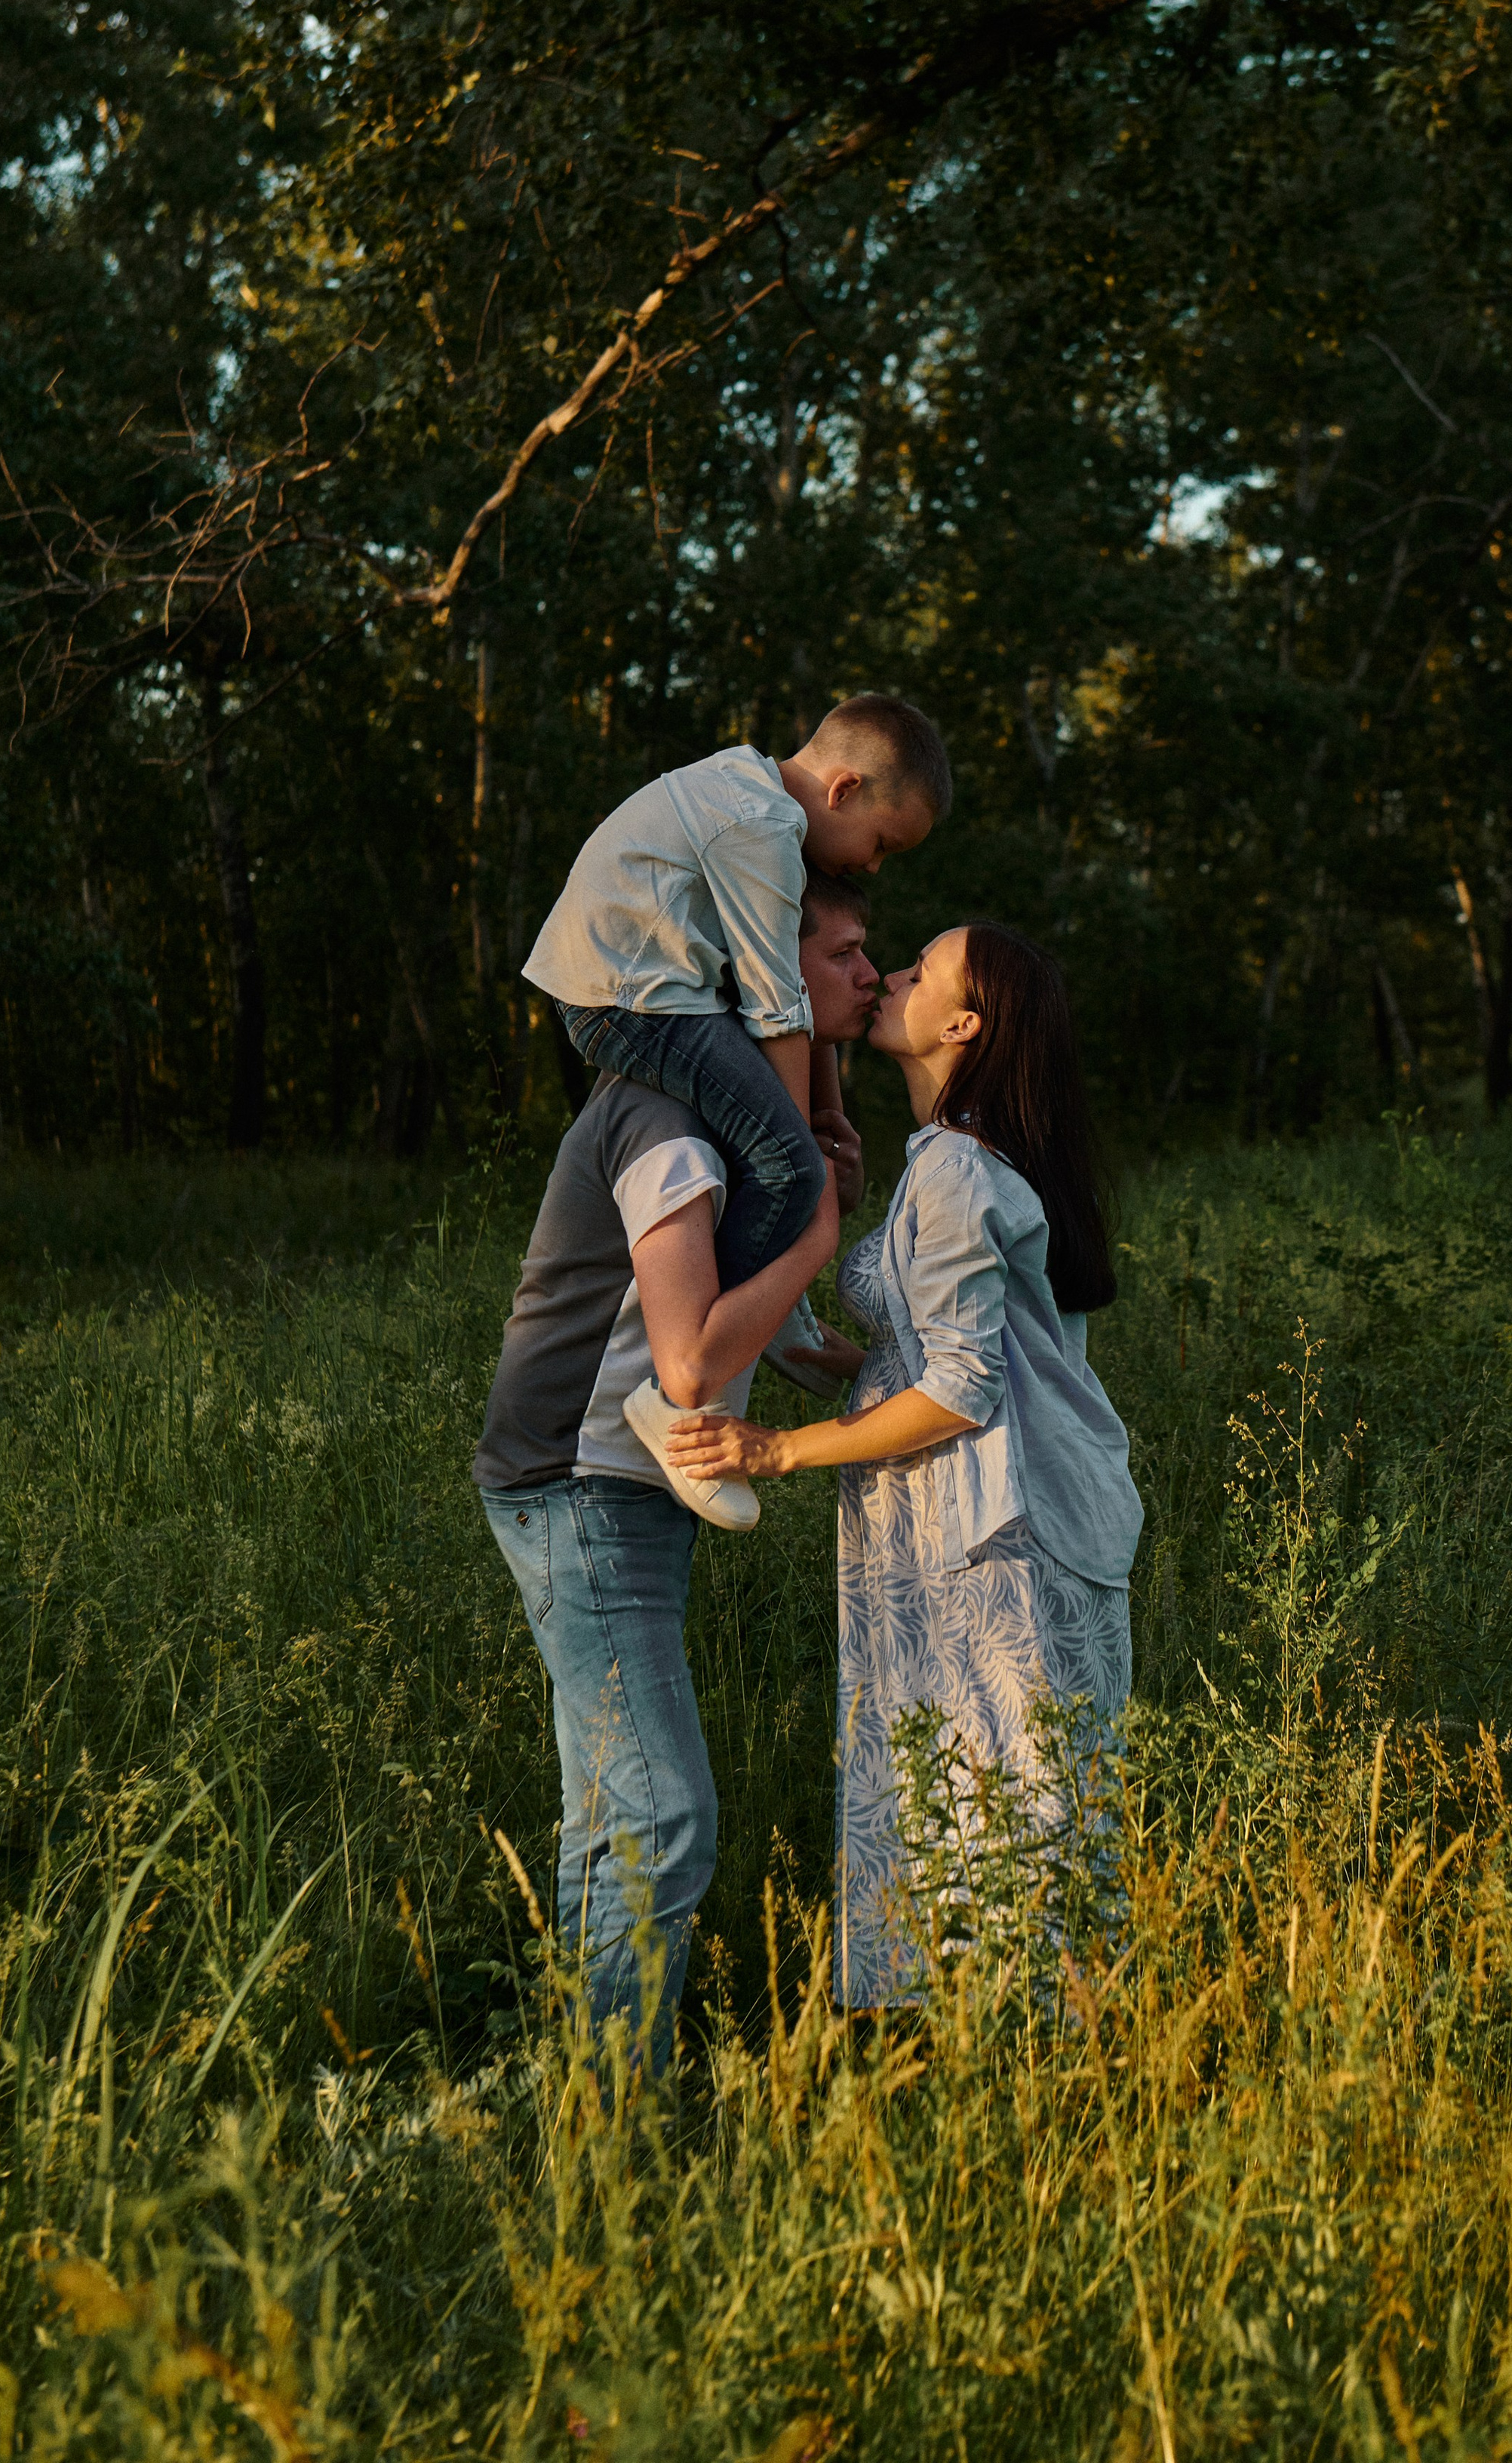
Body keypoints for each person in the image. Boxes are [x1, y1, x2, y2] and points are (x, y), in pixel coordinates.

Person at [665, 921, 1141, 2008]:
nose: (893, 976)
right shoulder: (953, 1159)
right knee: (969, 1799)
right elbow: (942, 1358)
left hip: (997, 1544)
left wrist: (773, 1450)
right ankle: (999, 2062)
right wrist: (819, 1350)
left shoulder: (962, 1169)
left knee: (1009, 1808)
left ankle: (1051, 2072)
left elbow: (964, 1388)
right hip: (956, 1526)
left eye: (924, 970)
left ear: (964, 1025)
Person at [472, 873, 880, 2073]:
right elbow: (691, 1361)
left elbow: (779, 1343)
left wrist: (920, 1380)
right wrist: (808, 1224)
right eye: (847, 952)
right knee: (660, 1817)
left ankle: (575, 2100)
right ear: (768, 974)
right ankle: (610, 2126)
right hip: (578, 1484)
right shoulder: (664, 1117)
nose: (867, 974)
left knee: (609, 1818)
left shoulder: (737, 1127)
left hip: (619, 1489)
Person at [520, 696, 951, 1483]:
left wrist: (824, 1118)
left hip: (635, 991)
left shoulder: (746, 789)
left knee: (790, 1155)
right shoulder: (764, 829)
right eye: (883, 843)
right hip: (632, 1002)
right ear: (844, 790)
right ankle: (684, 1391)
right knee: (786, 1166)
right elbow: (776, 1001)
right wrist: (806, 1163)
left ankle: (759, 1328)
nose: (876, 865)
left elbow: (788, 994)